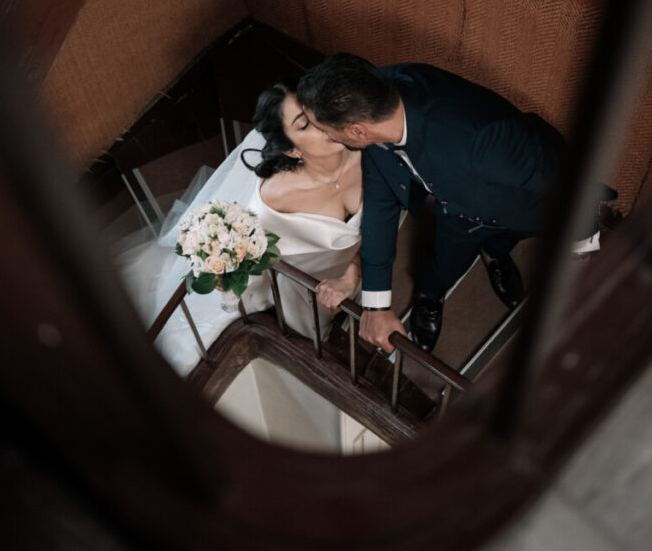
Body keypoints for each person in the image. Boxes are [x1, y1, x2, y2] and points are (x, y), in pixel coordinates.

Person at [297, 53, 615, 355]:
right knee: (442, 262)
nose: (324, 137)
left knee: (511, 234)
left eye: (326, 131)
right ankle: (431, 299)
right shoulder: (375, 102)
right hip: (458, 210)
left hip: (525, 199)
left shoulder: (484, 141)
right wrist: (376, 303)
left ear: (356, 130)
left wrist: (583, 241)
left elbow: (570, 184)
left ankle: (495, 254)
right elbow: (381, 205)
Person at [116, 82, 362, 376]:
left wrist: (353, 274)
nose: (324, 123)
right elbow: (256, 254)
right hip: (307, 283)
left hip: (346, 271)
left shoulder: (363, 146)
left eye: (316, 111)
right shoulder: (274, 200)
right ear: (292, 150)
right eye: (305, 124)